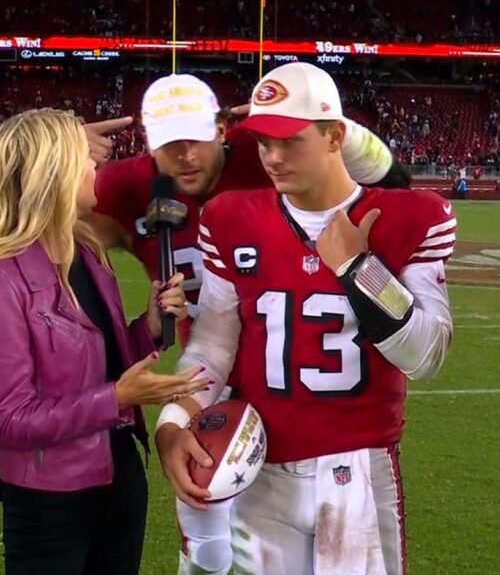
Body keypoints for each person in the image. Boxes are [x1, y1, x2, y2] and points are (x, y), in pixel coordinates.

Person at [88, 73, 412, 575]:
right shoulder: (126, 185)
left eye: (196, 137)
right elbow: (41, 222)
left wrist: (328, 119)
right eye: (170, 145)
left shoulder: (270, 155)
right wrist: (58, 151)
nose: (186, 156)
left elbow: (393, 179)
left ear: (222, 128)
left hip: (295, 375)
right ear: (149, 146)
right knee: (202, 516)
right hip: (210, 370)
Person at [155, 62, 455, 575]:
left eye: (289, 141)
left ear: (335, 135)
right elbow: (214, 347)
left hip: (358, 470)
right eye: (263, 143)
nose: (271, 157)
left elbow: (426, 356)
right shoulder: (231, 218)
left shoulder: (411, 216)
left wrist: (360, 270)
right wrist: (173, 423)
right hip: (262, 469)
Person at [0, 108, 208, 575]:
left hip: (120, 479)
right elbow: (10, 420)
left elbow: (99, 361)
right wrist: (119, 398)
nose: (96, 170)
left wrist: (145, 329)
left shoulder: (87, 253)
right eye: (83, 161)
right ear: (56, 172)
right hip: (52, 499)